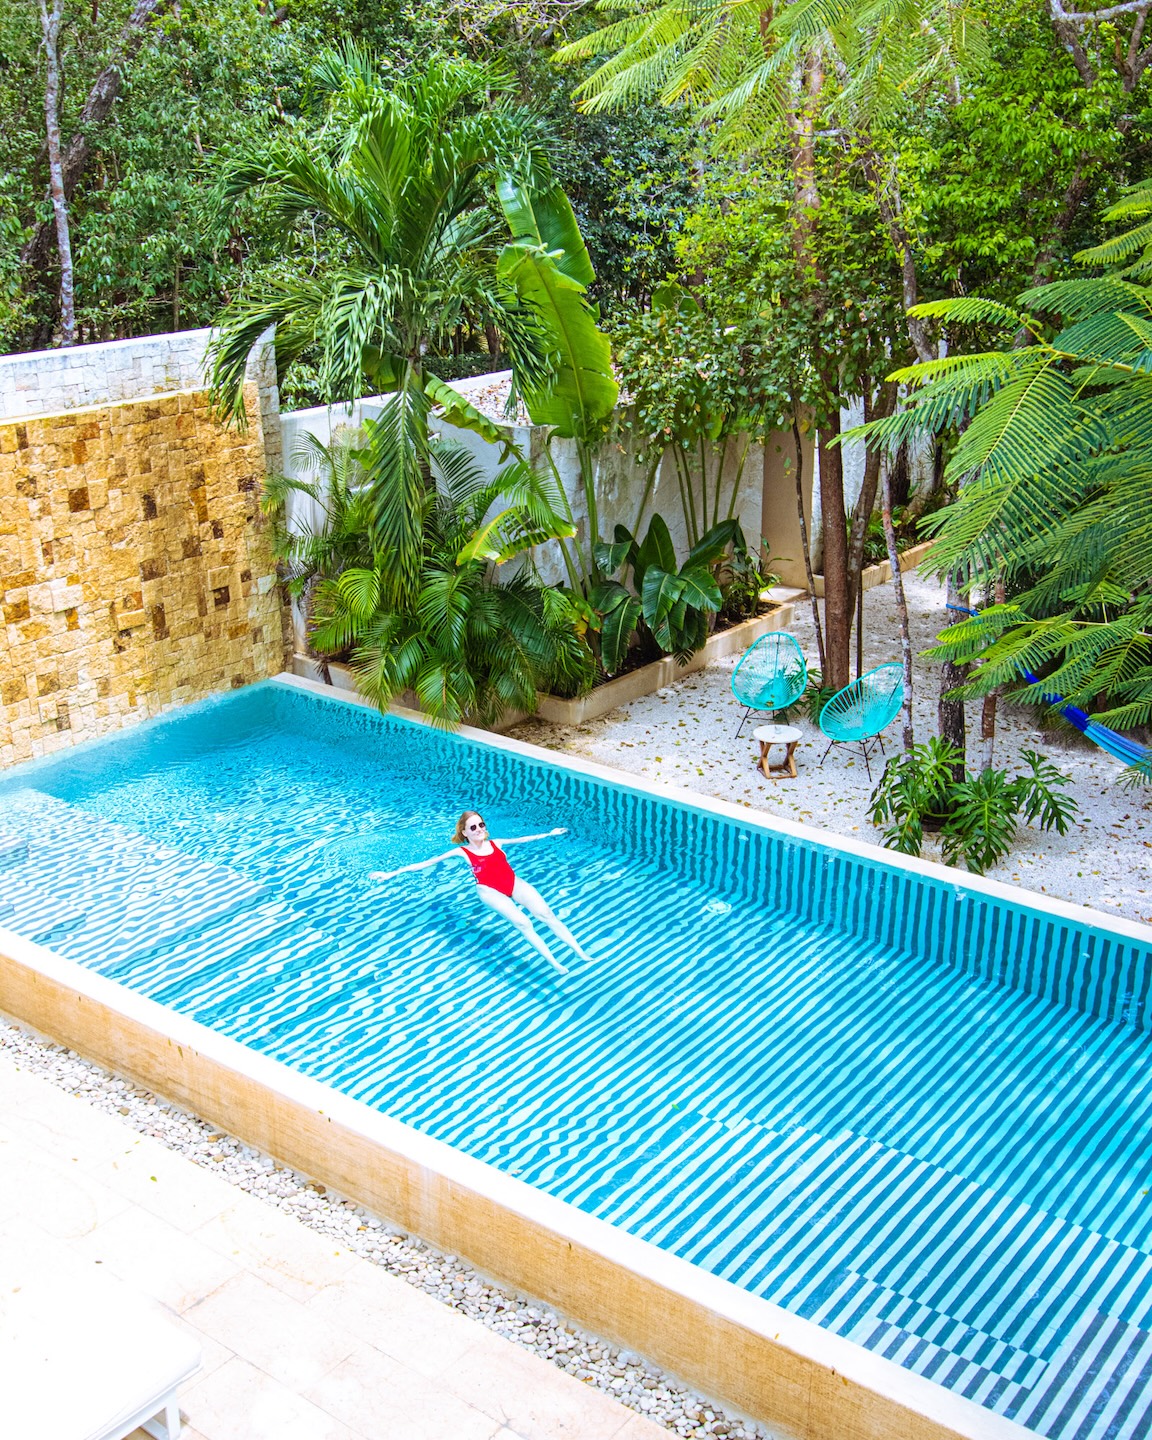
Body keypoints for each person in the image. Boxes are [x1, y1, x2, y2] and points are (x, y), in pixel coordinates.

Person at [370, 811, 591, 976]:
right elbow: (426, 863)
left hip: (512, 882)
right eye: (473, 827)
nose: (479, 829)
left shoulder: (497, 843)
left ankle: (578, 952)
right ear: (464, 833)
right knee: (523, 922)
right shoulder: (462, 851)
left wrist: (549, 834)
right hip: (489, 890)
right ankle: (554, 963)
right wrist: (391, 874)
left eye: (481, 825)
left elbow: (525, 839)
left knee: (546, 914)